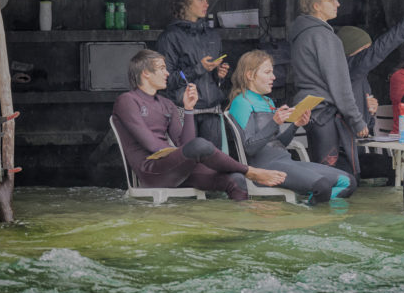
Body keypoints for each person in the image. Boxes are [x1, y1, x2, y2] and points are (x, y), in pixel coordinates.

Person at [112, 49, 285, 200]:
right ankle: (250, 171)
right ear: (146, 73)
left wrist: (189, 109)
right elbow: (152, 145)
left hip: (177, 169)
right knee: (200, 145)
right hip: (152, 172)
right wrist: (188, 153)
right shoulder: (127, 100)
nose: (167, 73)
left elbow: (184, 143)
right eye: (162, 68)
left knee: (235, 180)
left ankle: (244, 225)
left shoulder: (167, 104)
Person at [228, 50, 357, 204]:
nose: (273, 77)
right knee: (322, 186)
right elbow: (249, 148)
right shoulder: (242, 102)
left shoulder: (268, 102)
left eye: (272, 72)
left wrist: (295, 125)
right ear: (249, 75)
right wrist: (275, 122)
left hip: (286, 162)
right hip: (265, 169)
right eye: (267, 72)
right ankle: (310, 212)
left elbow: (278, 144)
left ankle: (308, 208)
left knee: (348, 182)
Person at [336, 0, 404, 182]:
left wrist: (370, 112)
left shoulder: (361, 78)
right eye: (365, 51)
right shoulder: (347, 69)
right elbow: (379, 50)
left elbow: (368, 130)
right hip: (341, 153)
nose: (369, 57)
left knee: (403, 169)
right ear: (351, 52)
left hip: (358, 151)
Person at [288, 0, 368, 177]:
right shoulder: (325, 37)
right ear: (316, 6)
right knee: (338, 180)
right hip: (325, 115)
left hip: (311, 111)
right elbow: (340, 87)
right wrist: (357, 121)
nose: (338, 3)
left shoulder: (301, 34)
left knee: (323, 175)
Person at [158, 0, 231, 150]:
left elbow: (212, 79)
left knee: (213, 163)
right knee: (187, 162)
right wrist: (198, 69)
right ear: (186, 3)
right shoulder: (170, 37)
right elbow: (167, 80)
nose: (207, 4)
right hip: (184, 112)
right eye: (201, 0)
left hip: (212, 111)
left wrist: (219, 75)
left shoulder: (213, 36)